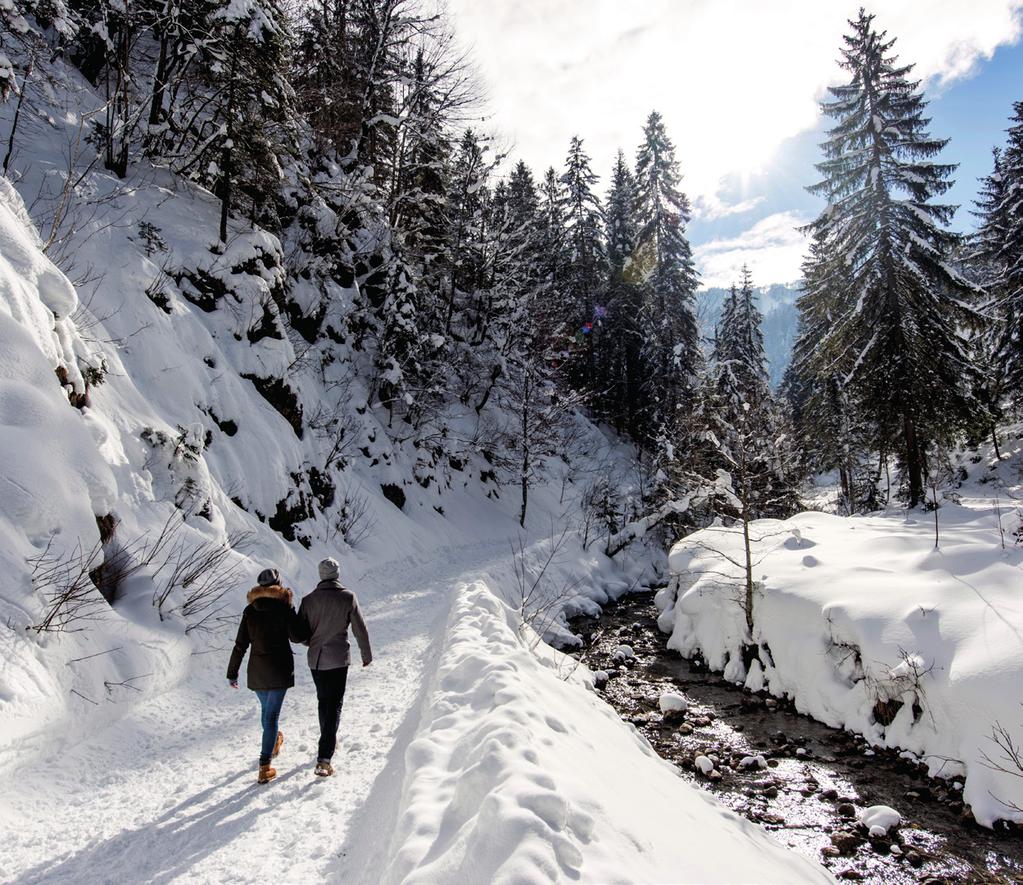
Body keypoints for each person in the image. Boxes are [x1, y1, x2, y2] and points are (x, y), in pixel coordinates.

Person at [296, 557, 372, 777]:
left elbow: (301, 632)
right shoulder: (348, 597)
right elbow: (360, 628)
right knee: (335, 705)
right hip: (339, 659)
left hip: (316, 660)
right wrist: (366, 654)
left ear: (321, 575)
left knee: (323, 701)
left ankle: (327, 740)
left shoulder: (308, 600)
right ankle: (324, 758)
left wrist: (311, 643)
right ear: (337, 574)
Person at [227, 567, 302, 784]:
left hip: (257, 671)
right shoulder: (284, 608)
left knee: (266, 712)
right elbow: (296, 637)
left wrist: (232, 672)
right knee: (271, 717)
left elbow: (240, 644)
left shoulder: (250, 610)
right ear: (278, 584)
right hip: (279, 669)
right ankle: (264, 766)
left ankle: (275, 741)